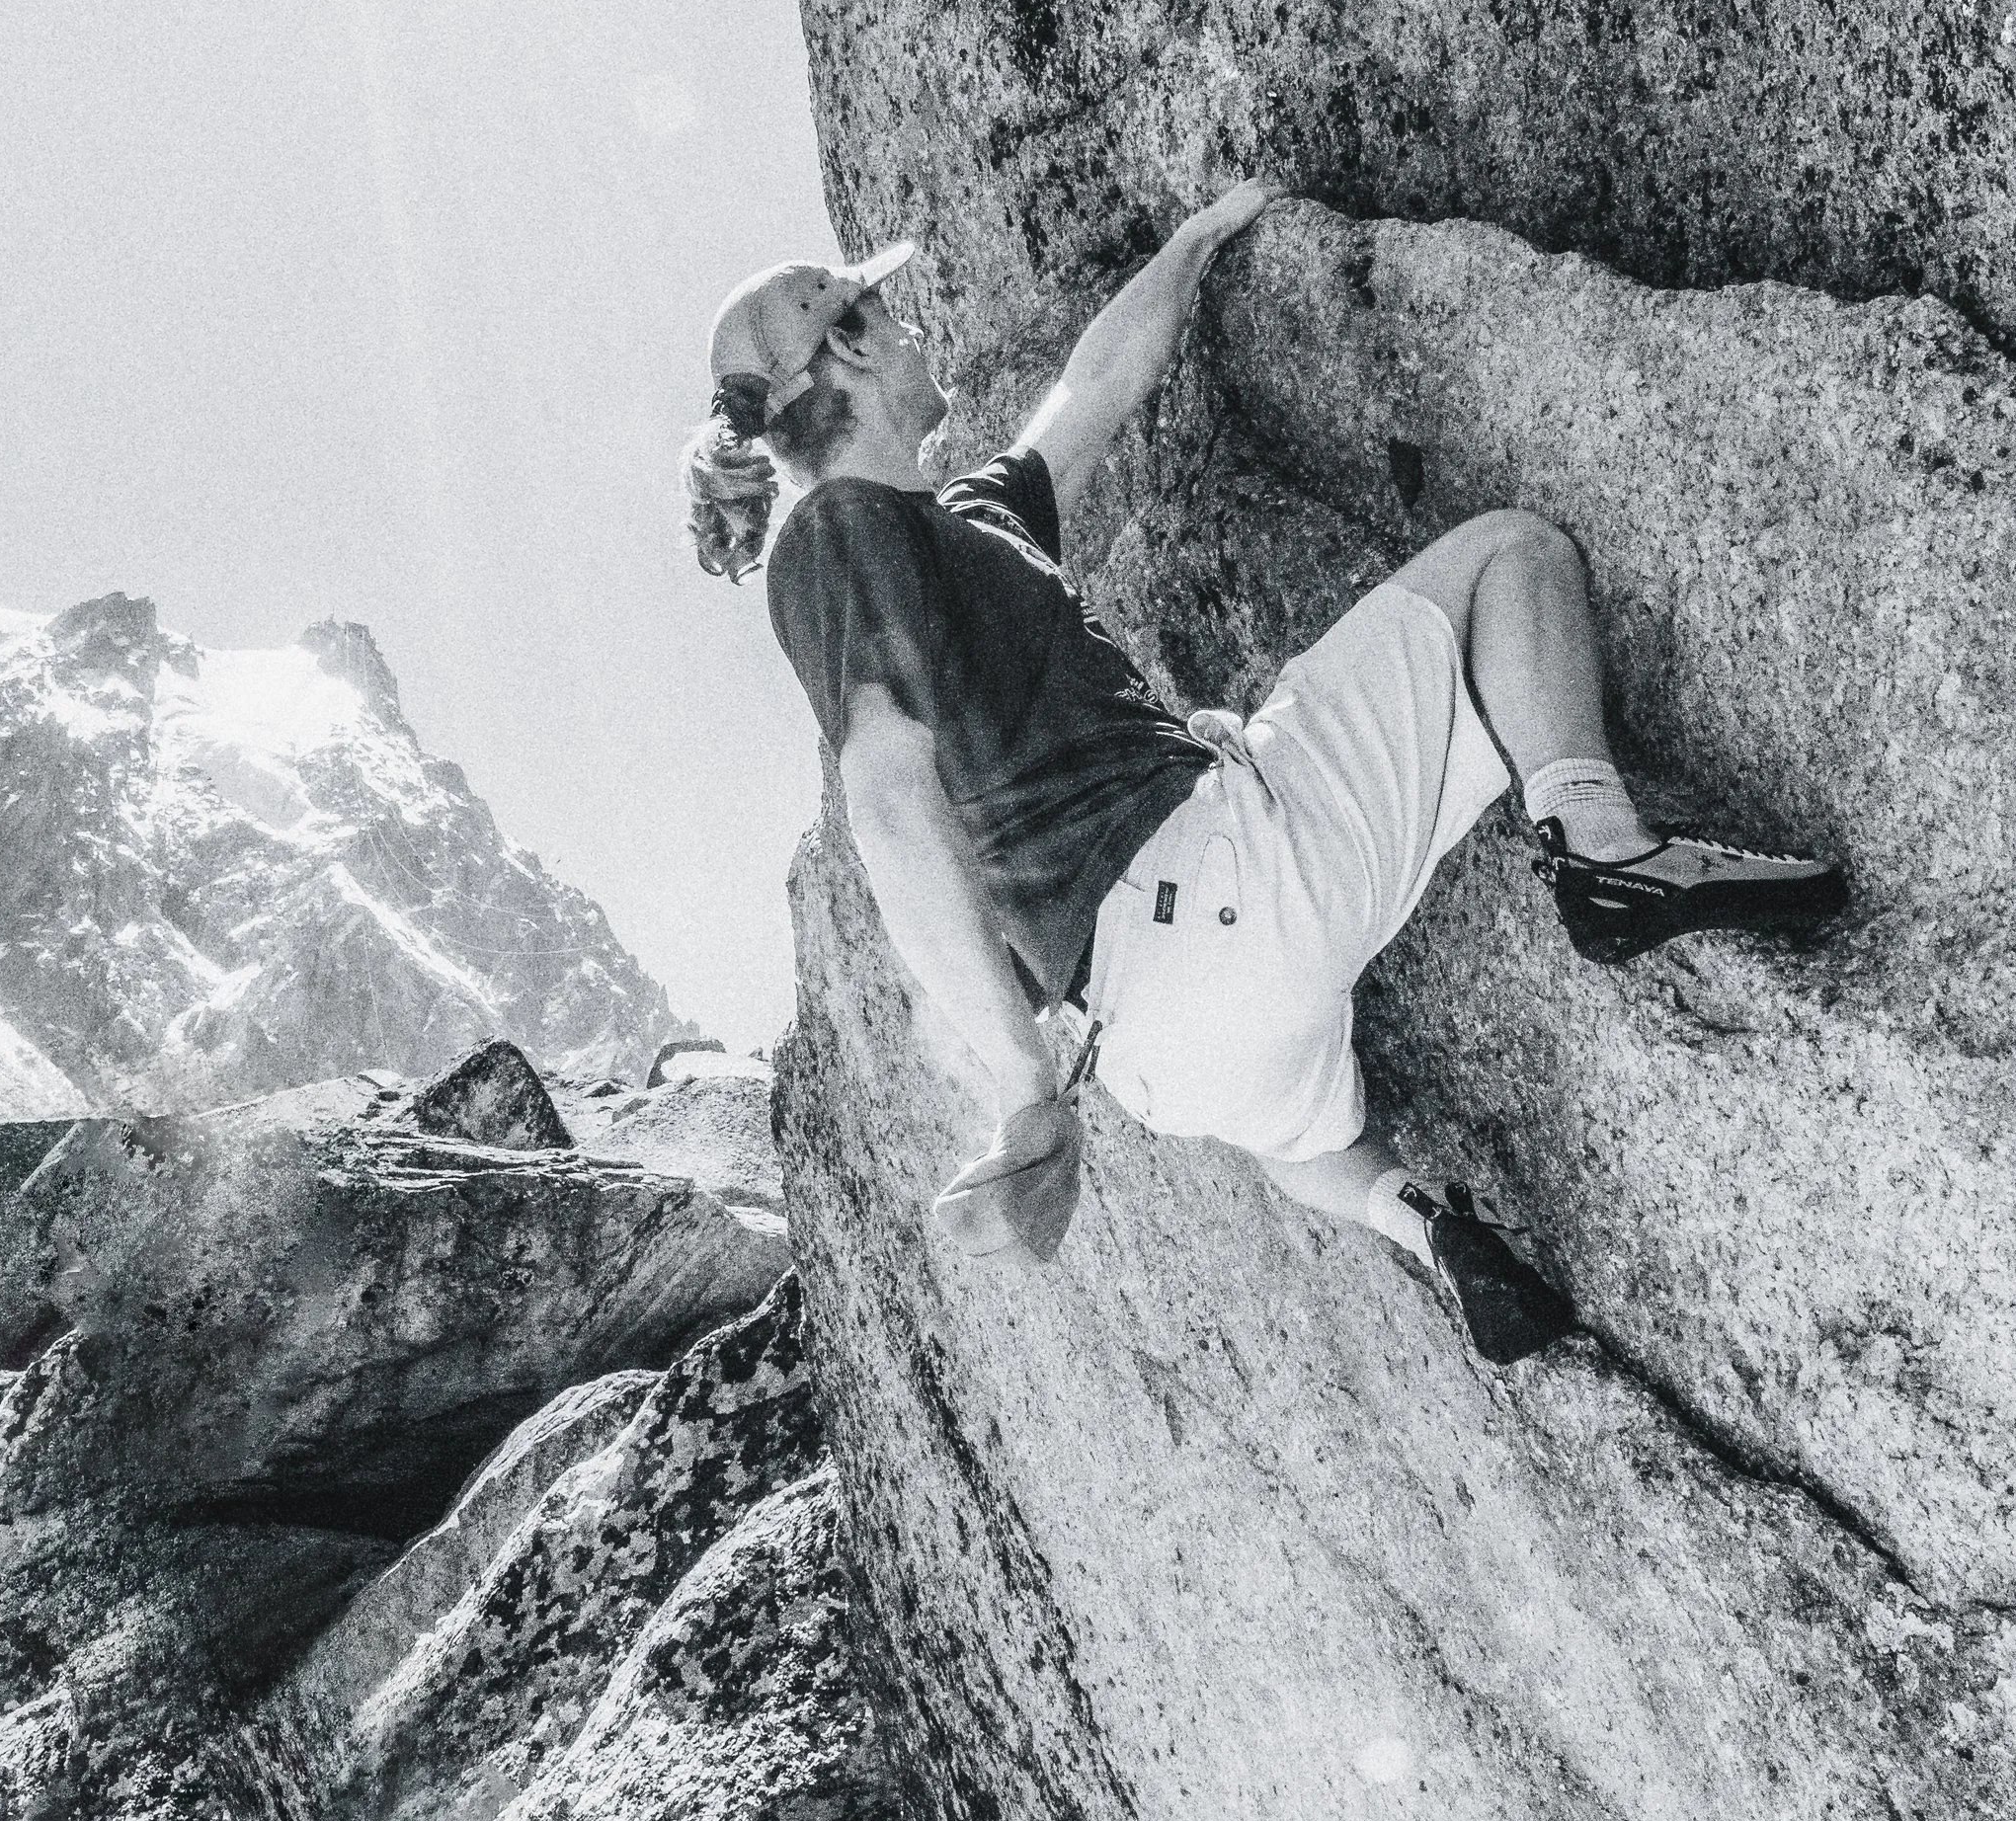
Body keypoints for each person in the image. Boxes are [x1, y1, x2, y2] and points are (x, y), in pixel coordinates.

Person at [684, 196, 1847, 1363]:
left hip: (1154, 1051)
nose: (917, 324)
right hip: (1210, 880)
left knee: (1298, 1135)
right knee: (1510, 555)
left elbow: (1092, 390)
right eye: (887, 307)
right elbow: (887, 801)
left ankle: (1425, 1228)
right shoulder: (836, 529)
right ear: (852, 342)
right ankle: (1601, 846)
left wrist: (1192, 245)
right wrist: (1017, 1082)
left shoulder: (964, 519)